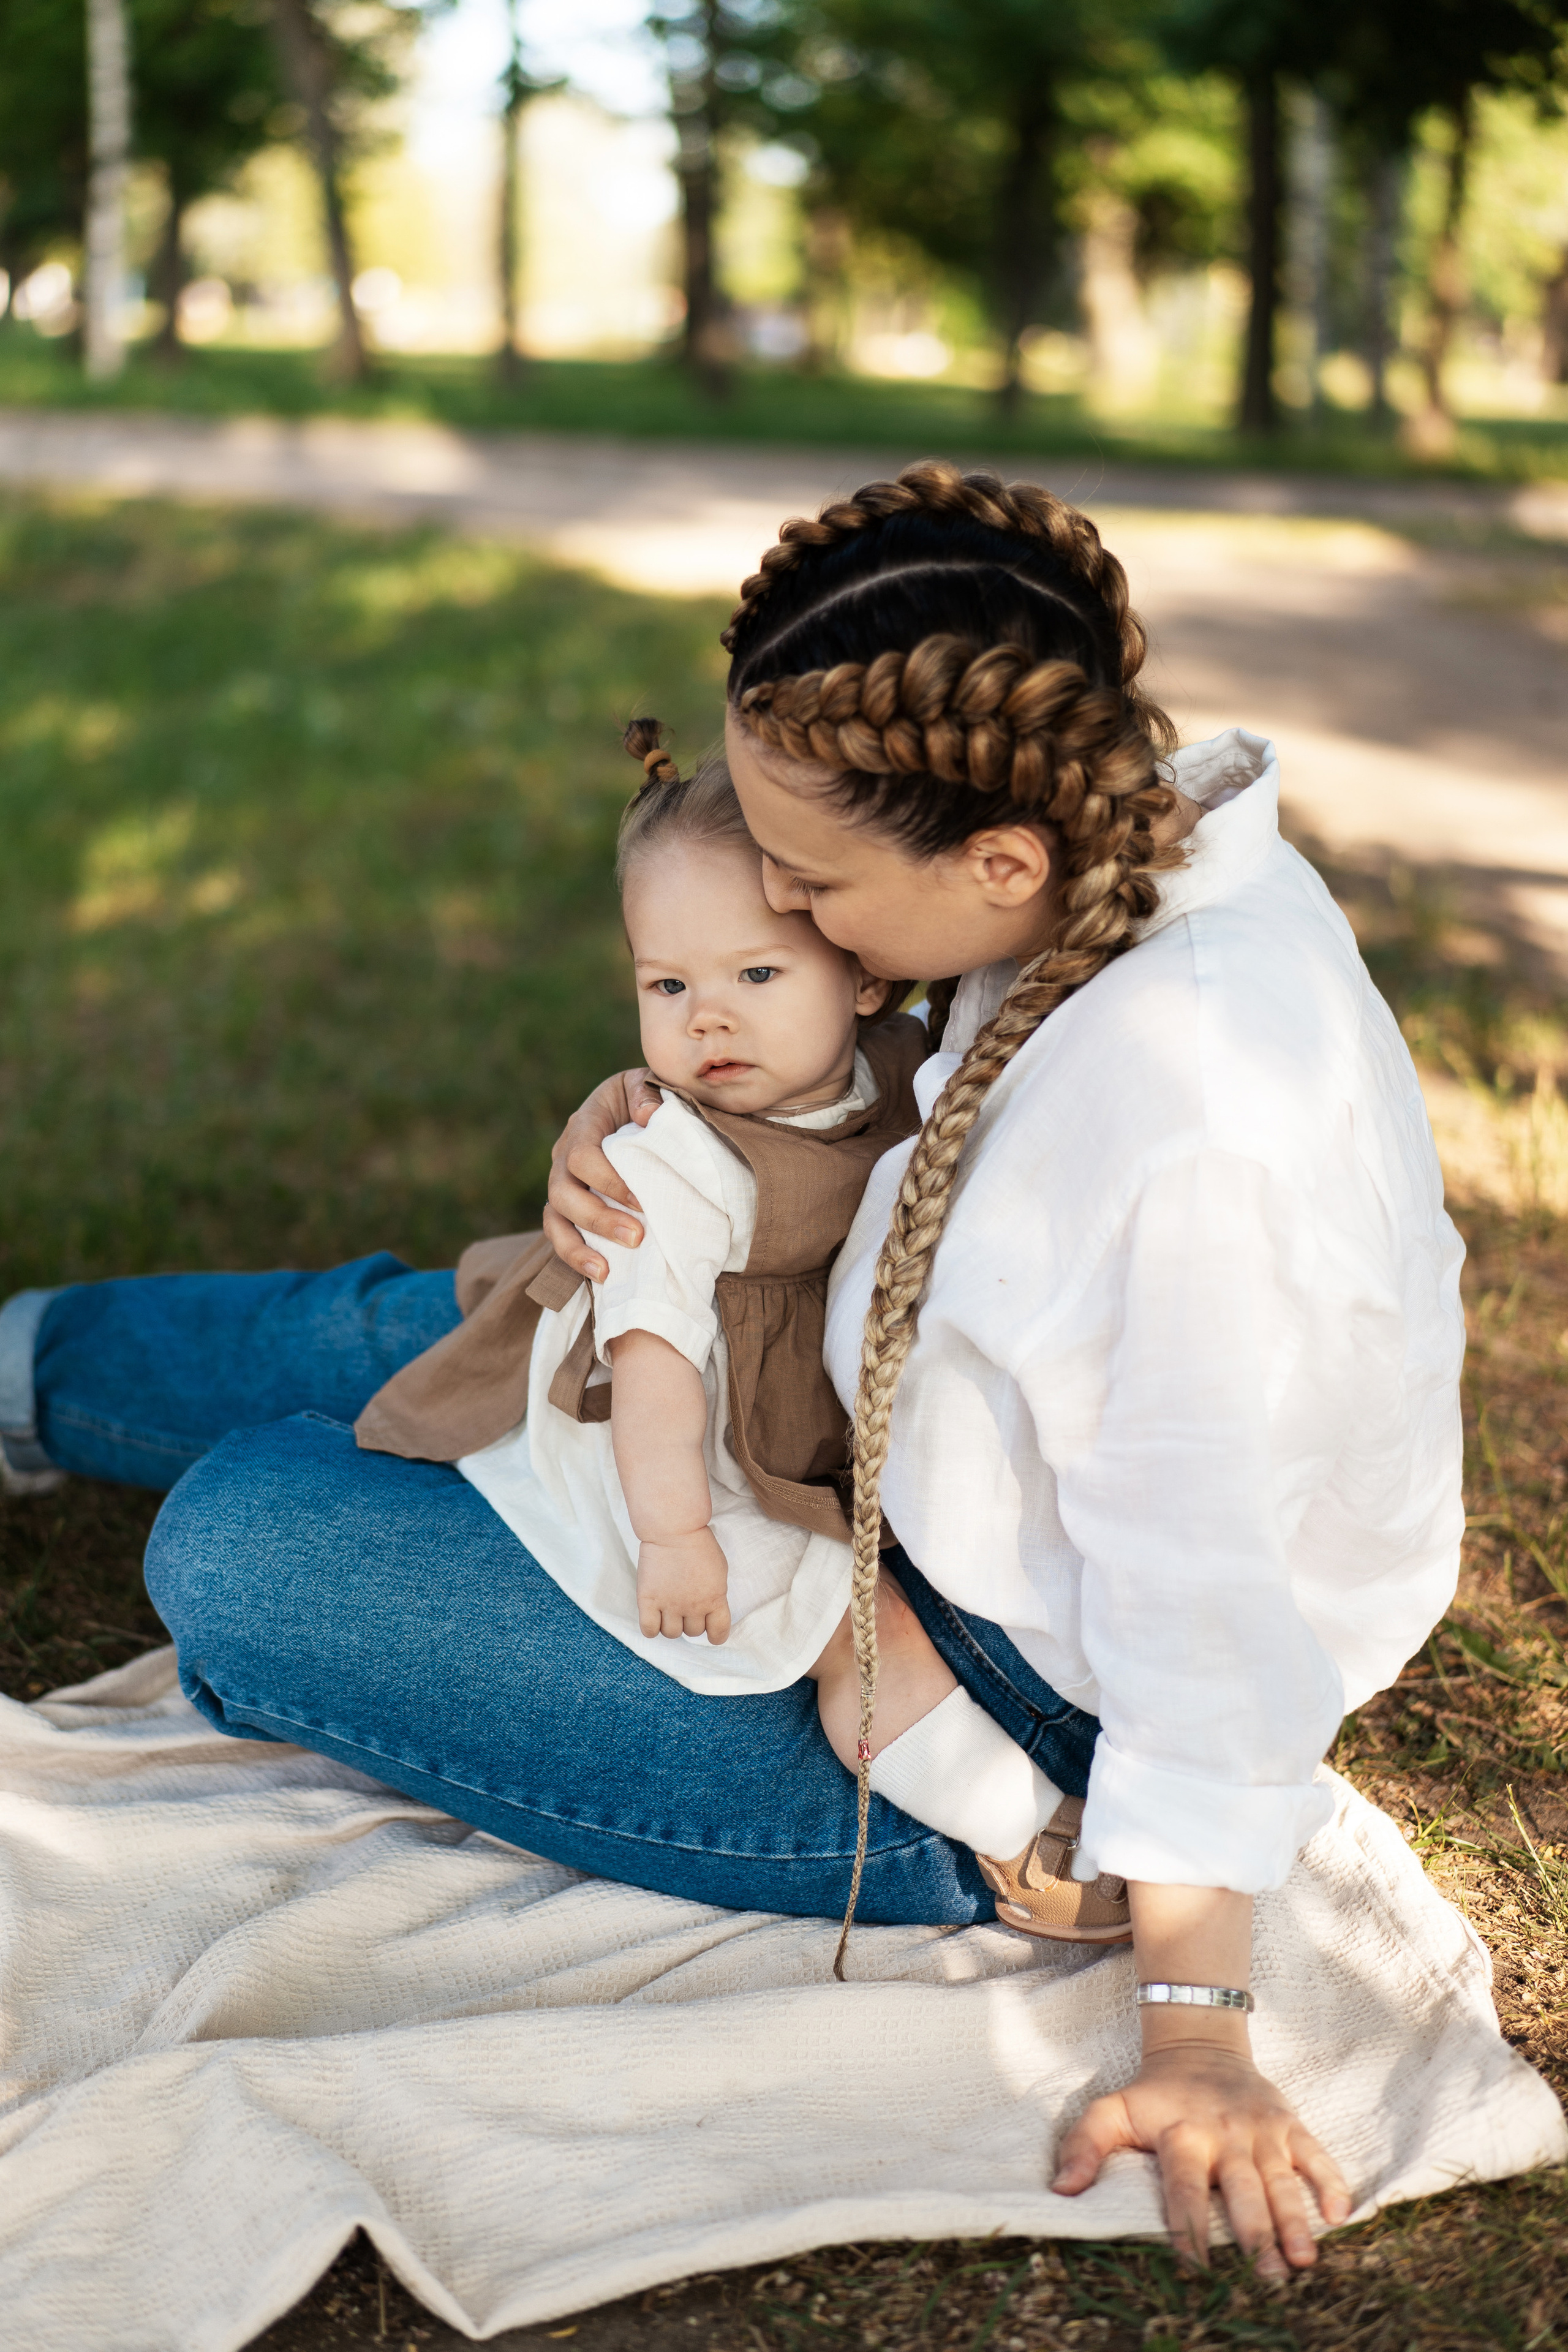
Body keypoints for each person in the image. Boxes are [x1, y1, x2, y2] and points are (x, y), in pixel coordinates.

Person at [0, 461, 1464, 2277]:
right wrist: (660, 1110)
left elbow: (1207, 1596)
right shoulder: (1105, 867)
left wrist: (1196, 2025)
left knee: (250, 1543)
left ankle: (374, 1520)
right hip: (846, 1404)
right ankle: (27, 1371)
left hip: (961, 1716)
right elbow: (914, 1089)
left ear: (995, 858)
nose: (777, 899)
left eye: (812, 883)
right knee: (484, 1300)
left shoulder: (1191, 1129)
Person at [352, 722, 1125, 1941]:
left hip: (779, 1417)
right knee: (851, 1635)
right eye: (668, 987)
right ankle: (1011, 1835)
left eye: (755, 977)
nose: (706, 1022)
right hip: (678, 1458)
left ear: (862, 975)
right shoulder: (677, 1161)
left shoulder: (894, 1066)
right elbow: (652, 1364)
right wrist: (675, 1535)